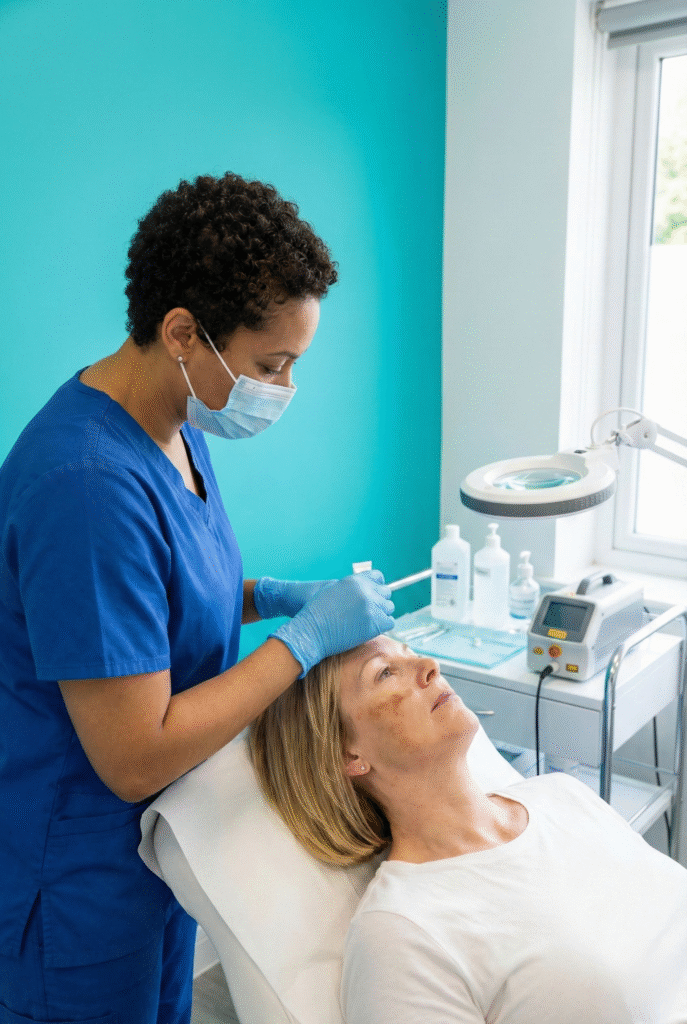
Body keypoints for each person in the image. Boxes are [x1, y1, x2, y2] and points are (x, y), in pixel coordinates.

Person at [0, 172, 395, 1024]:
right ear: (183, 332)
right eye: (270, 365)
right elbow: (135, 755)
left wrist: (271, 596)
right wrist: (304, 644)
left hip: (157, 848)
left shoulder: (173, 421)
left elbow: (157, 594)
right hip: (78, 878)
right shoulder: (85, 482)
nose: (283, 388)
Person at [249, 634, 687, 1024]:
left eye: (411, 654)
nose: (429, 666)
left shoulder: (560, 794)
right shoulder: (400, 934)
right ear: (348, 755)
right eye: (385, 673)